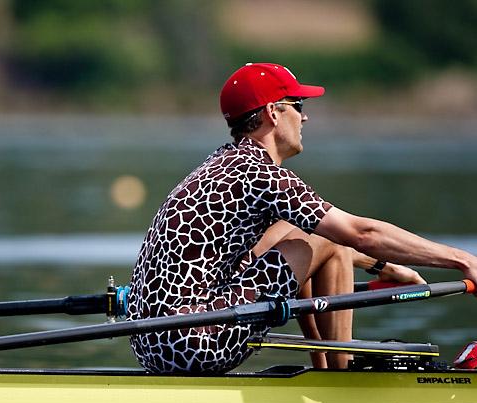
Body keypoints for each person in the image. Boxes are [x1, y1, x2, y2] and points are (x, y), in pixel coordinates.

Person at [127, 62, 477, 374]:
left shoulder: (224, 164)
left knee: (301, 230)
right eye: (299, 105)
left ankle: (326, 366)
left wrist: (383, 268)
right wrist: (462, 260)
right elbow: (361, 233)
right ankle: (340, 375)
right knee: (329, 235)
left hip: (152, 343)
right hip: (193, 341)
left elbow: (288, 244)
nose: (305, 117)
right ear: (273, 113)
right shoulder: (258, 174)